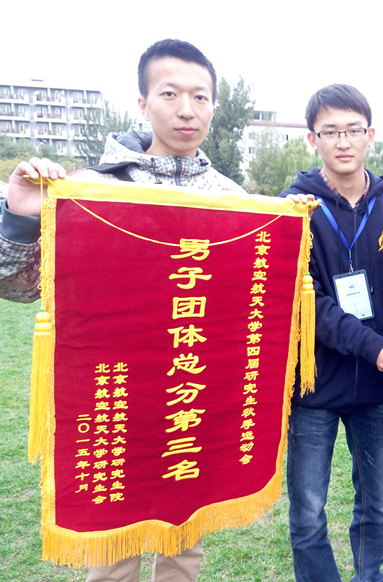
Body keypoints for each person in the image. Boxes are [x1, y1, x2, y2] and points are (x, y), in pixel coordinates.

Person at [0, 38, 246, 582]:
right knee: (112, 548)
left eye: (200, 97)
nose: (187, 109)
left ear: (213, 106)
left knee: (183, 543)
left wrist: (286, 227)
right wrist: (19, 216)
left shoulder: (231, 200)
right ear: (142, 103)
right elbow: (18, 287)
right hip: (114, 393)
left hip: (190, 393)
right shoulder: (93, 190)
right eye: (170, 93)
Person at [279, 84, 383, 582]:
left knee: (376, 503)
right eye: (330, 131)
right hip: (313, 386)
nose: (343, 141)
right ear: (312, 139)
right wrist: (370, 344)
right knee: (308, 510)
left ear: (370, 135)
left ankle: (369, 576)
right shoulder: (295, 208)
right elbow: (306, 302)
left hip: (377, 388)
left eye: (353, 130)